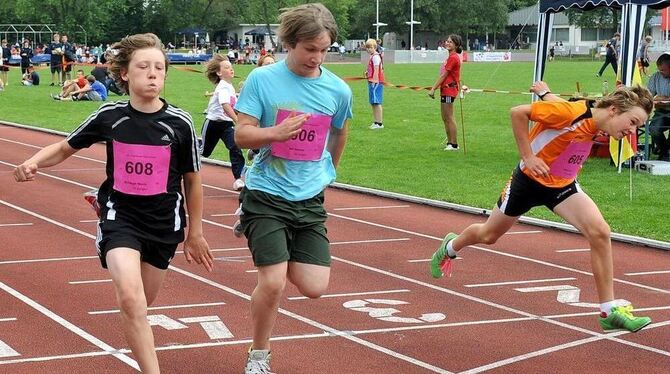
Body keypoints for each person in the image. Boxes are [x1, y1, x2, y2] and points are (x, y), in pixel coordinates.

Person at [13, 33, 213, 374]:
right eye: (144, 67)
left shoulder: (180, 123)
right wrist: (34, 161)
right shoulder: (110, 115)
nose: (153, 74)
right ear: (125, 74)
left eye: (159, 68)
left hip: (165, 223)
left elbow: (192, 180)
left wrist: (196, 232)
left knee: (141, 303)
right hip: (120, 217)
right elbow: (64, 147)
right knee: (132, 300)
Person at [430, 80, 654, 333]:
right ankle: (450, 247)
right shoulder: (571, 114)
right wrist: (528, 156)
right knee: (488, 235)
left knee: (600, 232)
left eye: (639, 127)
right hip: (527, 182)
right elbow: (518, 112)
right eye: (633, 122)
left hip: (562, 186)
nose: (632, 132)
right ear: (614, 109)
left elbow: (557, 104)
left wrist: (546, 93)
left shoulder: (595, 118)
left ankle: (608, 311)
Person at [233, 4, 352, 373]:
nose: (316, 58)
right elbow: (241, 136)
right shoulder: (262, 80)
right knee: (272, 283)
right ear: (289, 43)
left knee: (315, 286)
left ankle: (271, 242)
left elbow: (340, 129)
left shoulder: (338, 89)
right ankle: (258, 354)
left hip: (309, 197)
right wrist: (275, 133)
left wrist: (329, 169)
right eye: (309, 49)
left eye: (324, 50)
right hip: (267, 192)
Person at [200, 55, 246, 190]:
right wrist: (237, 121)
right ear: (219, 73)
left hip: (226, 125)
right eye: (227, 68)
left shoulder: (229, 87)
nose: (231, 69)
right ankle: (191, 145)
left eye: (231, 67)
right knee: (204, 152)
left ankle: (238, 179)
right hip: (213, 123)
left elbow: (234, 107)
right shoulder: (223, 87)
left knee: (235, 147)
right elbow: (225, 105)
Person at [428, 34, 463, 151]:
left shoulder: (453, 57)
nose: (447, 43)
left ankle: (454, 144)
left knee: (449, 117)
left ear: (456, 45)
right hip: (445, 89)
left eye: (450, 42)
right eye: (447, 41)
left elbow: (444, 75)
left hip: (449, 90)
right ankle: (449, 142)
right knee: (445, 117)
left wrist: (433, 88)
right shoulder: (450, 57)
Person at [245, 54, 277, 163]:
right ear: (260, 67)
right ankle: (255, 151)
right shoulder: (255, 83)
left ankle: (255, 151)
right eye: (267, 64)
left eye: (273, 64)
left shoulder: (280, 83)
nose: (271, 66)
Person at [647, 53, 670, 161]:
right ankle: (665, 152)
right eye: (659, 70)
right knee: (654, 129)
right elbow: (648, 95)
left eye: (663, 70)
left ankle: (665, 151)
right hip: (661, 111)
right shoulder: (656, 77)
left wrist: (664, 97)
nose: (660, 72)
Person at [365, 38, 385, 130]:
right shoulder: (372, 56)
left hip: (376, 82)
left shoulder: (376, 56)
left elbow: (377, 69)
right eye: (367, 48)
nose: (369, 49)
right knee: (373, 102)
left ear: (375, 47)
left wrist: (374, 80)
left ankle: (379, 123)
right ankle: (376, 122)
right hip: (371, 81)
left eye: (370, 47)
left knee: (377, 102)